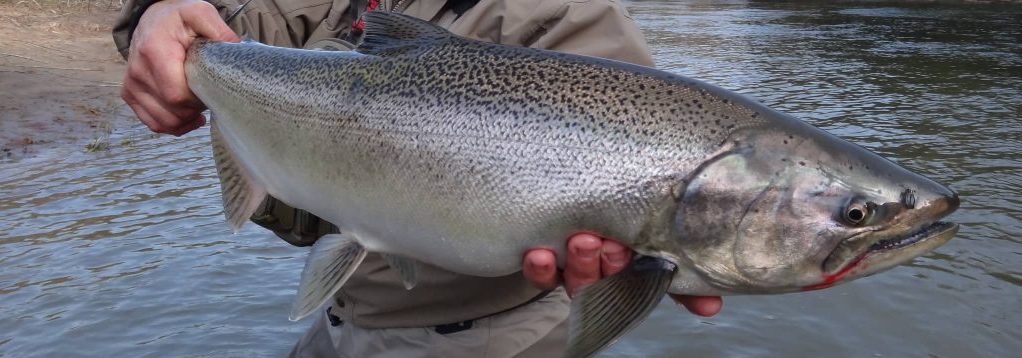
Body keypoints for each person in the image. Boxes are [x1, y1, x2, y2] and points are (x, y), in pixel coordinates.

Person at [112, 0, 723, 356]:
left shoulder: (570, 16)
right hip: (341, 318)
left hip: (490, 343)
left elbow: (645, 135)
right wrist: (156, 17)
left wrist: (646, 263)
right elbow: (216, 18)